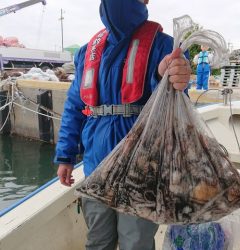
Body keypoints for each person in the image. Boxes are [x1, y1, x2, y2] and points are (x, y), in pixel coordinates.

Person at [55, 0, 191, 249]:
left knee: (136, 242)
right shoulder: (87, 52)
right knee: (98, 240)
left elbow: (178, 102)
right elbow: (74, 109)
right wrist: (65, 156)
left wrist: (165, 76)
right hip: (95, 165)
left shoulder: (165, 46)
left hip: (143, 169)